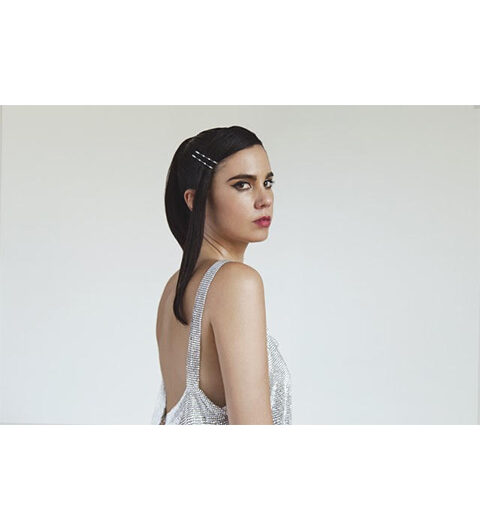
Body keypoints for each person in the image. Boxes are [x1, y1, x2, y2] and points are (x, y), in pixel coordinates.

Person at [151, 125, 292, 425]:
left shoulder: (175, 287)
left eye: (267, 182)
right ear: (194, 200)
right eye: (242, 185)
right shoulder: (236, 282)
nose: (264, 199)